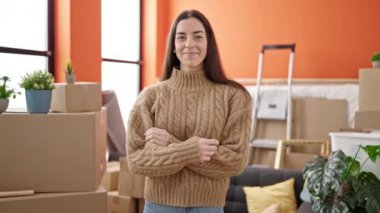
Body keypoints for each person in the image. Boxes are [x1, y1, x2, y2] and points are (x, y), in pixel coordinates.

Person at [127, 9, 252, 213]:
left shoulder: (235, 96)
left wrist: (170, 143)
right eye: (181, 37)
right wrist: (192, 150)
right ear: (174, 47)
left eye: (198, 36)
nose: (189, 44)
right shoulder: (149, 97)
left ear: (208, 44)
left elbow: (234, 161)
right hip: (159, 207)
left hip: (208, 208)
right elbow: (137, 160)